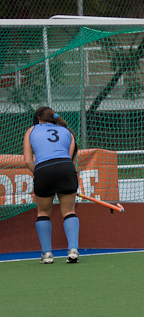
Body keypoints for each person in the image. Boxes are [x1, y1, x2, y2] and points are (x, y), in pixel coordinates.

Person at [23, 107, 80, 264]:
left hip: (43, 170)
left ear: (40, 120)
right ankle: (73, 251)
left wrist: (40, 173)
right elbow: (69, 159)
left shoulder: (31, 131)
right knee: (69, 211)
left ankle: (47, 254)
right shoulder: (68, 131)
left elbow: (28, 161)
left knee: (43, 212)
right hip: (66, 168)